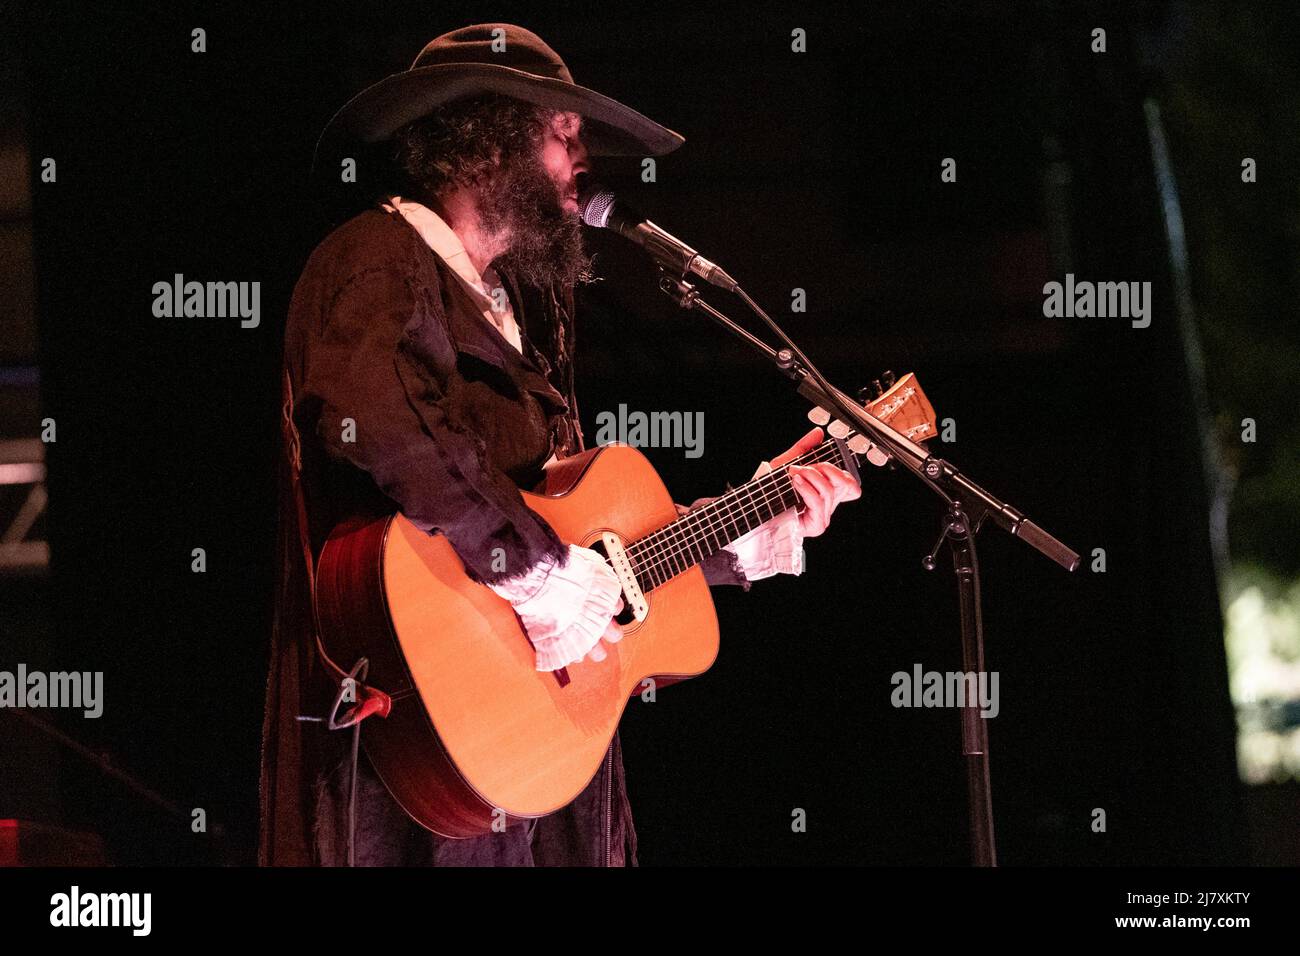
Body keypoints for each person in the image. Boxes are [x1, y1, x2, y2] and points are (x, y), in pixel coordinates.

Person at [257, 23, 860, 867]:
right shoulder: (376, 259)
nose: (581, 159)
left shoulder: (523, 309)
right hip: (417, 764)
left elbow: (581, 544)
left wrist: (733, 538)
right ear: (482, 141)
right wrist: (528, 567)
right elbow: (381, 419)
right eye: (561, 131)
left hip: (540, 767)